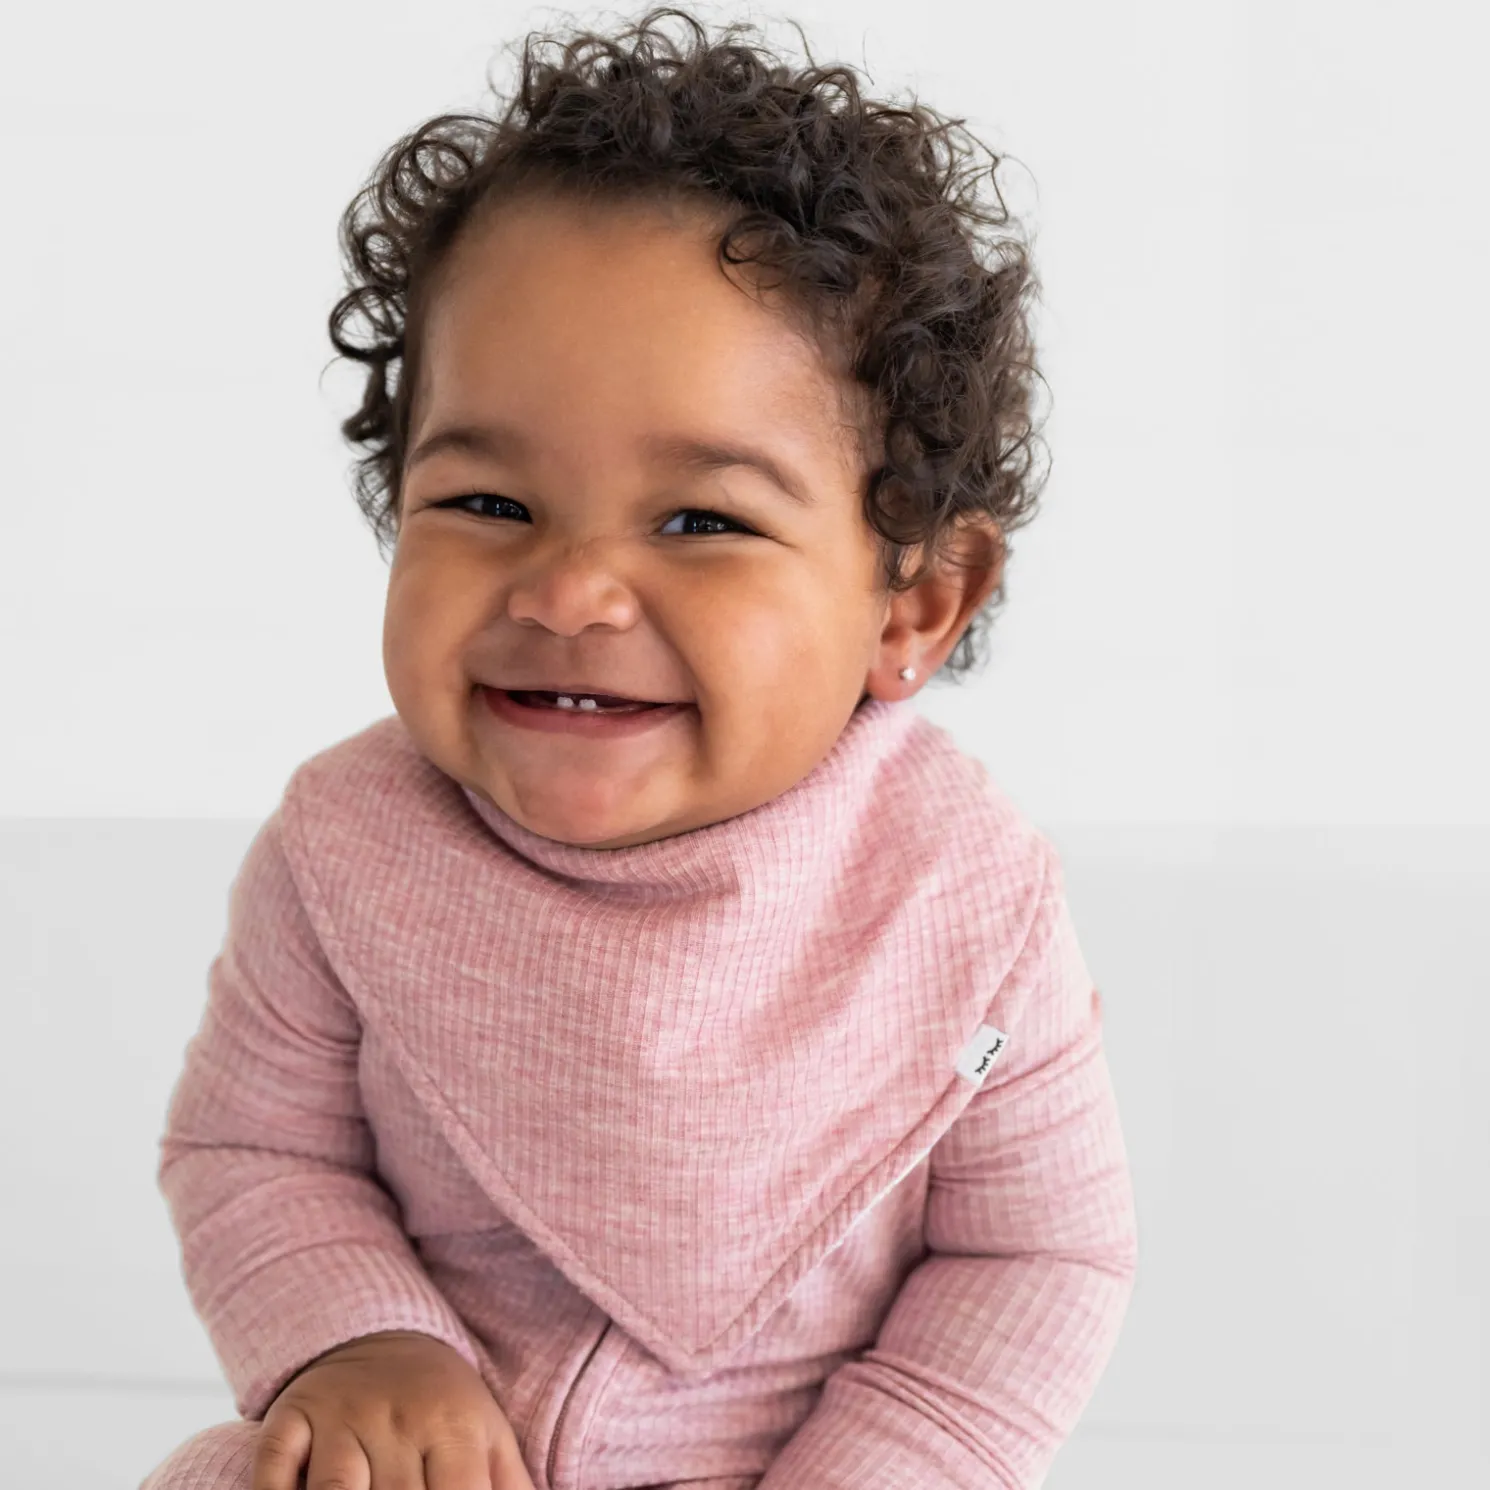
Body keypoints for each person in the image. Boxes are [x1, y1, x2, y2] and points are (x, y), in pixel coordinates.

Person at [140, 8, 1138, 1488]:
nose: (566, 592)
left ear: (912, 602)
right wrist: (361, 1344)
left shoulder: (962, 901)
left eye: (701, 522)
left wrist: (883, 1462)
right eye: (486, 503)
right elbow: (252, 1154)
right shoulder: (347, 849)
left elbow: (1036, 1250)